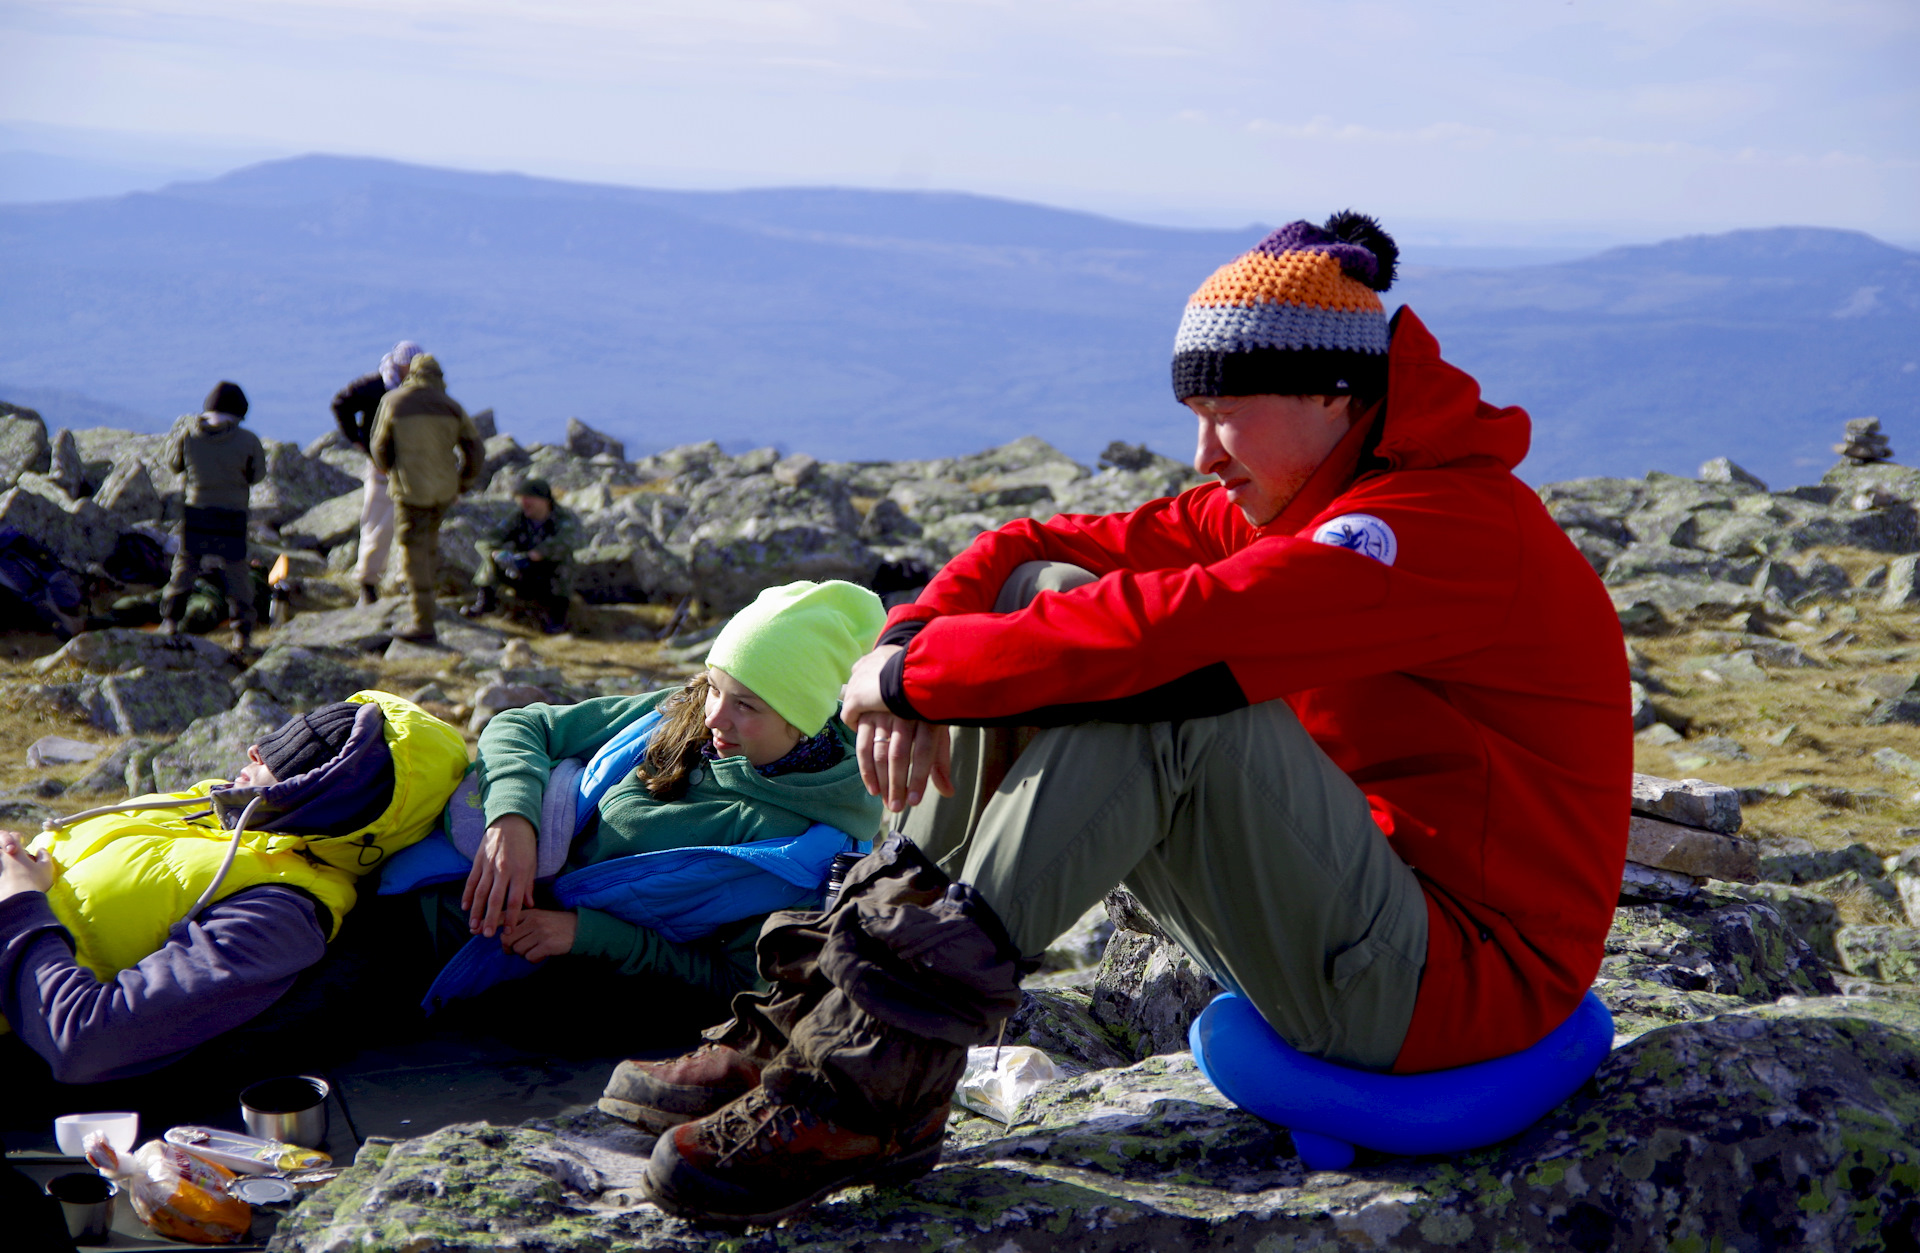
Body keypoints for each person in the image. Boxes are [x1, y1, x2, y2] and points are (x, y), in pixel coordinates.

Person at [630, 213, 1633, 1223]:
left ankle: (875, 1082)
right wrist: (905, 643)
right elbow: (1026, 547)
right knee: (1047, 592)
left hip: (1461, 987)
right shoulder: (1290, 498)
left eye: (1224, 412)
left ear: (1333, 391)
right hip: (1372, 920)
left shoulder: (1436, 527)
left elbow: (1174, 639)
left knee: (1168, 696)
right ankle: (828, 1026)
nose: (1200, 453)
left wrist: (915, 680)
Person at [442, 580, 885, 1055]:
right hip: (450, 872)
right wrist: (513, 820)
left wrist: (586, 934)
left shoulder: (805, 849)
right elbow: (523, 724)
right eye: (716, 688)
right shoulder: (684, 714)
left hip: (507, 973)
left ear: (803, 720)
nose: (715, 717)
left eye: (745, 706)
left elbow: (734, 986)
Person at [0, 693, 467, 1088]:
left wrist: (19, 904)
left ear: (330, 801)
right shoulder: (208, 807)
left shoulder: (280, 911)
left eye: (291, 757)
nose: (254, 752)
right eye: (279, 738)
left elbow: (83, 1039)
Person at [369, 353, 485, 643]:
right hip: (444, 490)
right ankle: (428, 605)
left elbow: (380, 446)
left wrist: (390, 467)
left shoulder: (394, 401)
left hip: (410, 490)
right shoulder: (451, 406)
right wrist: (463, 482)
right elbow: (476, 450)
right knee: (429, 544)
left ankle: (422, 623)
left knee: (412, 553)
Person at [162, 381, 265, 649]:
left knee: (184, 567)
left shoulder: (188, 436)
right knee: (237, 574)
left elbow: (174, 465)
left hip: (197, 511)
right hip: (232, 514)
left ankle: (170, 620)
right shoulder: (248, 440)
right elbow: (257, 475)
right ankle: (242, 633)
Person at [332, 340, 424, 607]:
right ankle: (368, 584)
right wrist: (359, 441)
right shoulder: (374, 386)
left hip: (413, 466)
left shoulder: (423, 389)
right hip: (382, 466)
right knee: (377, 524)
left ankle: (408, 581)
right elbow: (341, 404)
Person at [462, 477, 579, 633]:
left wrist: (539, 553)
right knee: (491, 559)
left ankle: (557, 619)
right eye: (522, 498)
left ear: (544, 500)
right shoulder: (518, 518)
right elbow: (488, 540)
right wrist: (496, 553)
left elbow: (568, 541)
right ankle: (485, 603)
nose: (524, 503)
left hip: (548, 577)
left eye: (529, 498)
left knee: (565, 563)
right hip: (521, 572)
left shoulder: (563, 518)